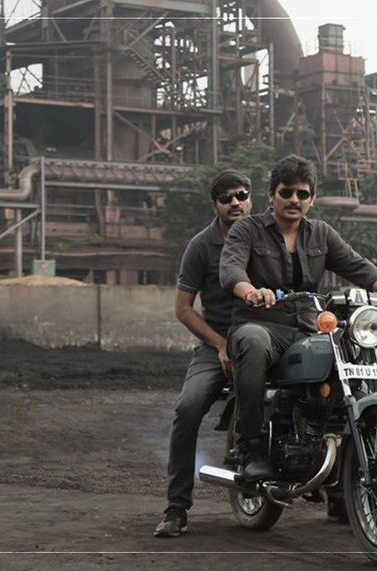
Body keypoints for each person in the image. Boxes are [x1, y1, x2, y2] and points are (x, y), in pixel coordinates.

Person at [219, 154, 377, 483]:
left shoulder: (321, 233)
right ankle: (249, 447)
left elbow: (357, 265)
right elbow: (231, 269)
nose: (294, 199)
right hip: (260, 325)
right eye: (286, 192)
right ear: (271, 195)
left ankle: (340, 463)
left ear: (311, 198)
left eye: (303, 193)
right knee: (252, 342)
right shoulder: (247, 230)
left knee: (347, 352)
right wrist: (250, 291)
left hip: (308, 329)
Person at [154, 170, 253, 538]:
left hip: (267, 338)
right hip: (218, 343)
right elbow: (183, 309)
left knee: (323, 391)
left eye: (241, 195)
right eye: (226, 198)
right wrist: (220, 344)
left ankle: (339, 494)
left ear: (251, 199)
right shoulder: (200, 246)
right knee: (188, 407)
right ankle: (176, 507)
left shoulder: (267, 236)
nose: (235, 202)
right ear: (215, 205)